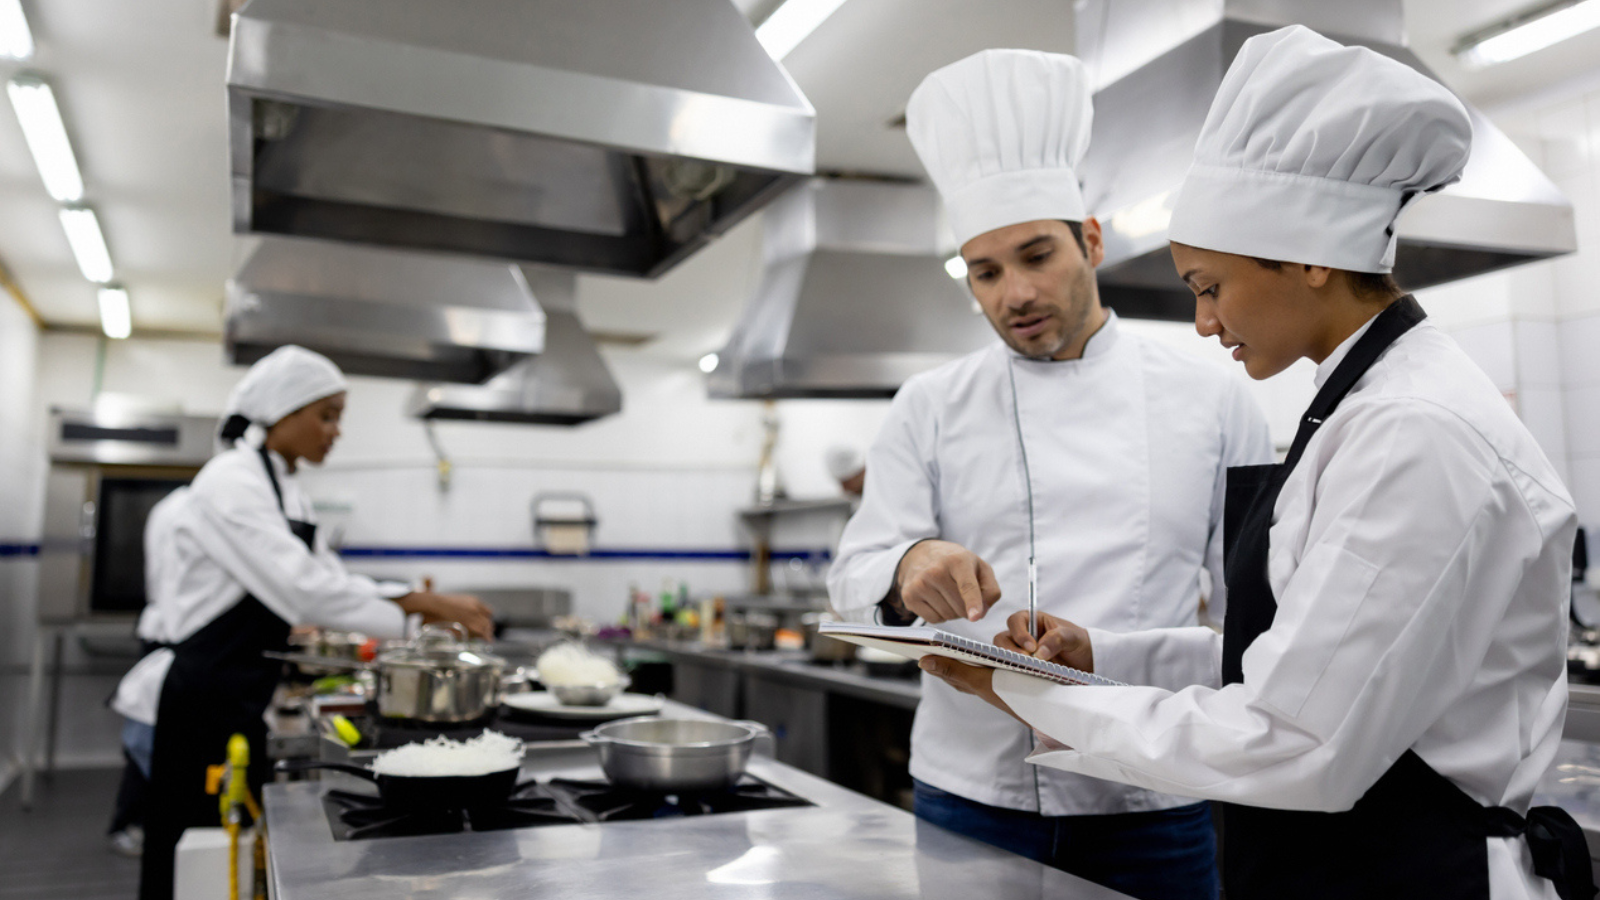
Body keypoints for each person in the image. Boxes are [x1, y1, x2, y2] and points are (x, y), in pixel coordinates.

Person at [920, 26, 1595, 900]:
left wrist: (1031, 698)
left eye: (1209, 286)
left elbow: (1295, 737)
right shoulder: (1358, 405)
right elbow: (1302, 660)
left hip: (1422, 874)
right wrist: (1100, 657)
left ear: (1311, 258)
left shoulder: (1414, 431)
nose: (1202, 321)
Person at [827, 48, 1272, 900]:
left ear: (1091, 239)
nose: (1013, 293)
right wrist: (907, 561)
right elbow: (854, 576)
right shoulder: (930, 403)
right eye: (985, 272)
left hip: (1149, 794)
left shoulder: (1214, 395)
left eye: (1036, 256)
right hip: (970, 790)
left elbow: (1256, 614)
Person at [112, 345, 494, 900]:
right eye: (327, 415)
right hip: (201, 697)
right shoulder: (231, 480)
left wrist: (418, 616)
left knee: (230, 846)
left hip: (240, 689)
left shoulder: (285, 486)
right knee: (190, 849)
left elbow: (329, 576)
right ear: (282, 413)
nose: (336, 431)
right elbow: (302, 589)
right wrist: (423, 604)